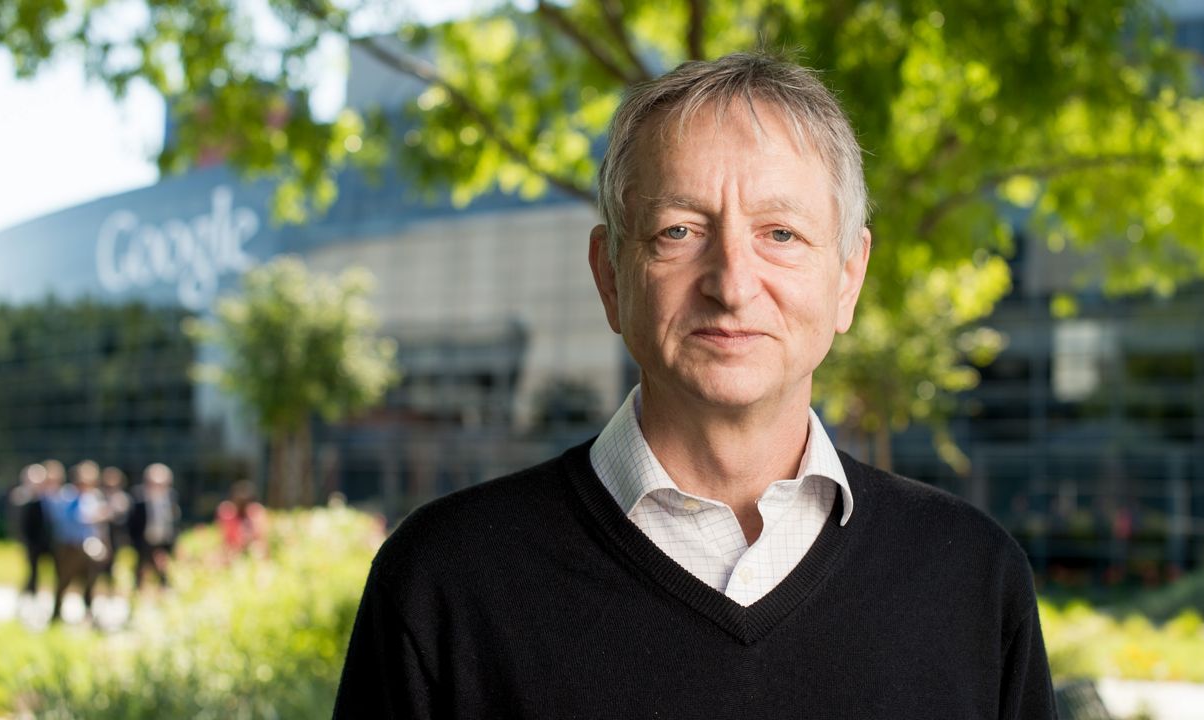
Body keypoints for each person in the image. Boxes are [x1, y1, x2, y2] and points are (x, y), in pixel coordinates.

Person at [334, 52, 1056, 718]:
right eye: (678, 231)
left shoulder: (973, 581)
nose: (733, 285)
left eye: (781, 234)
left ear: (848, 278)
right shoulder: (445, 585)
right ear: (610, 275)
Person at [50, 460, 109, 623]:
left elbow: (100, 525)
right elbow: (67, 520)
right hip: (70, 547)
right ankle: (56, 613)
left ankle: (89, 614)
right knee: (64, 581)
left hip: (90, 547)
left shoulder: (94, 496)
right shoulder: (66, 496)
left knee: (90, 581)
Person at [127, 463, 180, 591]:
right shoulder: (138, 498)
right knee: (141, 570)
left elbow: (173, 521)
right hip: (144, 541)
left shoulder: (171, 497)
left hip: (163, 541)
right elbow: (131, 523)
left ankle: (164, 591)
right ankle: (138, 592)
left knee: (163, 570)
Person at [10, 462, 52, 598]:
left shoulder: (48, 498)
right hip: (31, 541)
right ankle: (28, 595)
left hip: (47, 541)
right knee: (32, 571)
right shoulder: (22, 499)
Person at [98, 466, 132, 594]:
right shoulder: (99, 495)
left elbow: (120, 515)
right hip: (100, 536)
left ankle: (111, 591)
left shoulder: (122, 497)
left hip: (116, 537)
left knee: (114, 566)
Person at [215, 480, 266, 560]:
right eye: (239, 502)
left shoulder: (255, 514)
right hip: (232, 551)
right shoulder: (228, 514)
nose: (242, 506)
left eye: (244, 503)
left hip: (251, 551)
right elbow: (227, 538)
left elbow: (260, 537)